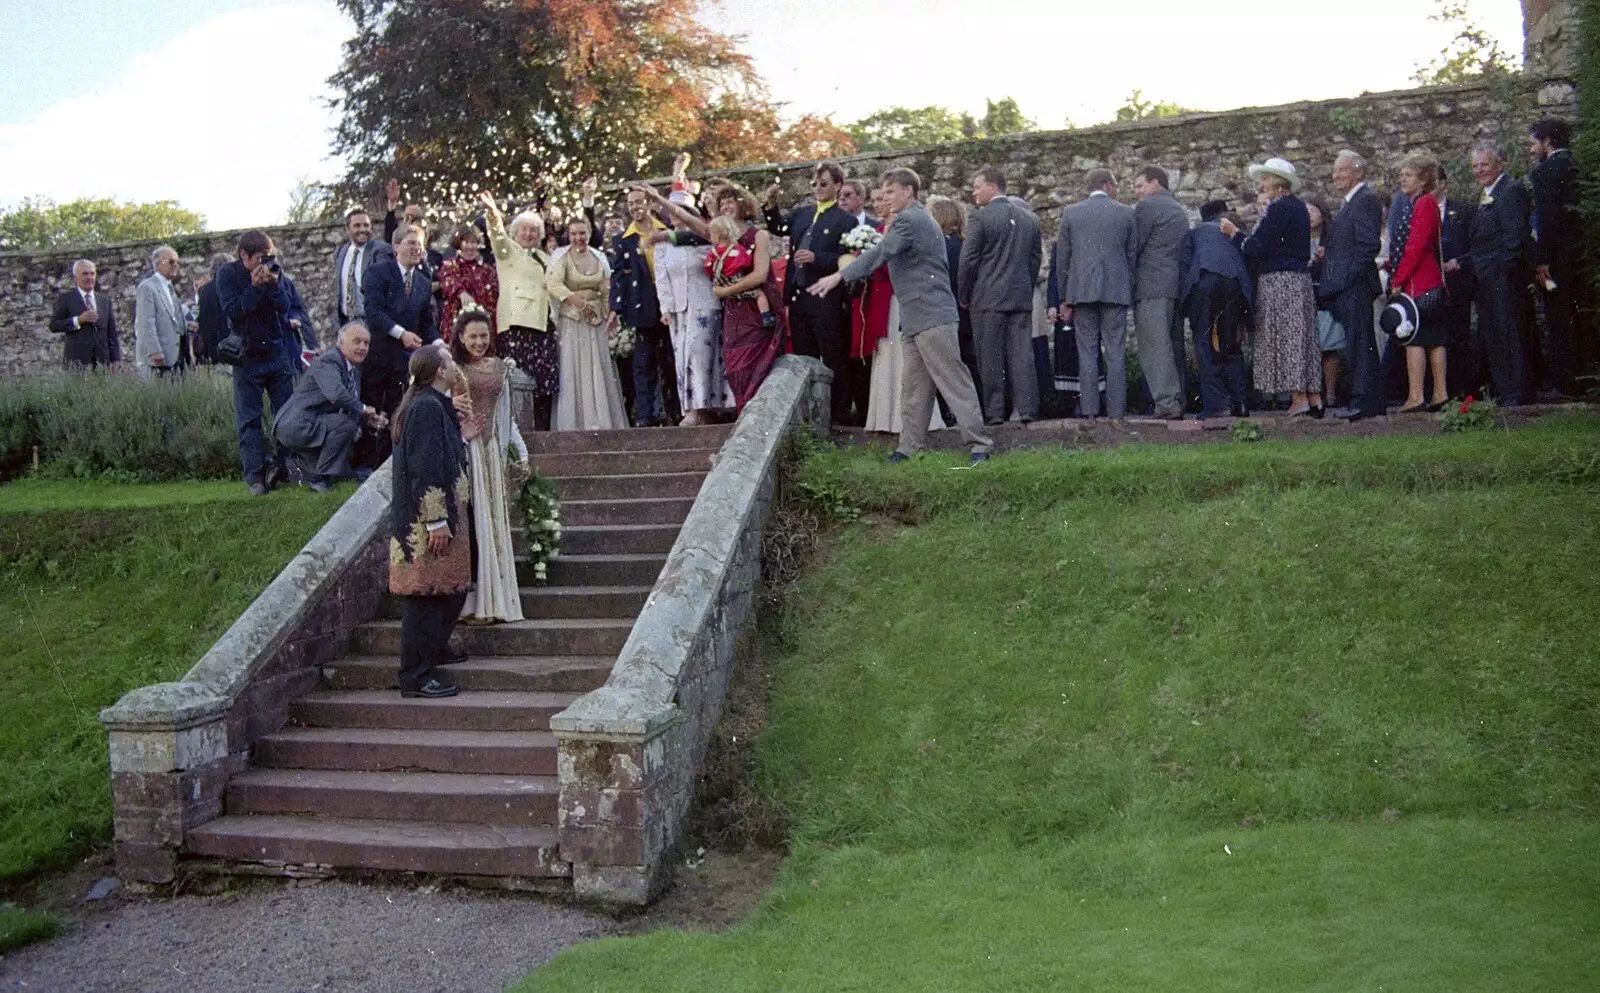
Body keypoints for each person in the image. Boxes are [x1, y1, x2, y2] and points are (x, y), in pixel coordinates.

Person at [808, 168, 992, 464]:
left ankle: (979, 444)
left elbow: (882, 252)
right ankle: (908, 448)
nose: (886, 197)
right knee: (914, 387)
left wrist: (838, 276)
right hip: (916, 317)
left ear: (908, 191)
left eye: (891, 191)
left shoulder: (909, 220)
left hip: (932, 315)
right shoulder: (916, 219)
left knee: (953, 381)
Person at [388, 343, 472, 700]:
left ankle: (433, 650)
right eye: (451, 362)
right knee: (424, 594)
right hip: (426, 520)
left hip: (442, 511)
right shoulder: (424, 408)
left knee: (448, 589)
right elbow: (424, 469)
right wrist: (435, 520)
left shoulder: (430, 404)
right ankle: (416, 676)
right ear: (439, 370)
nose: (455, 366)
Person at [1220, 158, 1320, 417]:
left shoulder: (1278, 209)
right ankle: (1313, 396)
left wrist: (1234, 233)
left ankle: (1298, 398)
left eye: (1266, 179)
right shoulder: (1299, 207)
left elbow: (1257, 247)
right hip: (1299, 279)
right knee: (1303, 336)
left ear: (1279, 182)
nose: (1262, 184)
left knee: (1288, 337)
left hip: (1280, 280)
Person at [451, 312, 528, 625]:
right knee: (472, 524)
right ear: (461, 338)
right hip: (466, 452)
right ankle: (470, 602)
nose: (479, 342)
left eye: (484, 336)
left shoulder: (500, 368)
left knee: (492, 523)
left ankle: (495, 599)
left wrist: (519, 452)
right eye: (473, 337)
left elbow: (505, 416)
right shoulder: (452, 370)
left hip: (492, 452)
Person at [959, 165, 1043, 425]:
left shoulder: (980, 218)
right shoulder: (1030, 219)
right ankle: (1026, 409)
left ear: (993, 187)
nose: (974, 192)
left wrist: (964, 293)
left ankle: (995, 413)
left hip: (987, 297)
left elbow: (969, 260)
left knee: (990, 356)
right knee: (1022, 355)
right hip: (1019, 296)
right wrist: (1025, 288)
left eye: (977, 186)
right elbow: (1034, 259)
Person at [216, 231, 297, 494]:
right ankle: (255, 478)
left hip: (275, 354)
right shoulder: (227, 275)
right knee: (249, 420)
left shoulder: (273, 271)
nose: (267, 262)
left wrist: (272, 285)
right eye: (261, 258)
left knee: (285, 415)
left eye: (270, 256)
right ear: (244, 256)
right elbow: (233, 310)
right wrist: (254, 287)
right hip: (247, 358)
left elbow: (285, 306)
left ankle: (286, 470)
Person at [1055, 169, 1136, 420]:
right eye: (1115, 184)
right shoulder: (1126, 213)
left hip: (1081, 292)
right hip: (1115, 290)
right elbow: (1132, 255)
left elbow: (1063, 259)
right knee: (1115, 352)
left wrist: (1064, 297)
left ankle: (1090, 412)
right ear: (1107, 185)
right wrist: (1126, 285)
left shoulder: (1071, 213)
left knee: (1087, 353)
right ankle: (1116, 413)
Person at [786, 161, 859, 425]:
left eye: (824, 183)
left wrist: (817, 258)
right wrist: (769, 205)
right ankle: (807, 415)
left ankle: (837, 415)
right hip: (799, 295)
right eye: (814, 183)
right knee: (803, 355)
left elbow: (848, 259)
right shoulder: (802, 214)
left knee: (832, 355)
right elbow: (778, 226)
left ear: (838, 186)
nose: (818, 188)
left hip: (826, 297)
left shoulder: (846, 220)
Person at [360, 223, 439, 467]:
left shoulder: (424, 282)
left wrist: (438, 344)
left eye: (420, 244)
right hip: (379, 354)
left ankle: (395, 464)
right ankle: (368, 465)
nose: (418, 249)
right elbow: (373, 312)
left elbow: (426, 321)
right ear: (396, 247)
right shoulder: (377, 273)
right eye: (412, 243)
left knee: (399, 410)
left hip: (405, 361)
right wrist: (401, 334)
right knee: (374, 411)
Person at [273, 323, 385, 491]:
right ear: (341, 343)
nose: (362, 347)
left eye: (366, 343)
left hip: (308, 423)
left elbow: (346, 402)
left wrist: (367, 418)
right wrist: (363, 410)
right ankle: (320, 481)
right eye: (357, 341)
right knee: (347, 423)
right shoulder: (330, 360)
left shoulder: (350, 367)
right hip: (296, 424)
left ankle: (284, 470)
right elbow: (337, 394)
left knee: (344, 471)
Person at [480, 192, 559, 430]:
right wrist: (493, 214)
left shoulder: (546, 257)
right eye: (523, 229)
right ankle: (517, 433)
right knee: (516, 382)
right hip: (517, 324)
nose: (528, 234)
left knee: (545, 384)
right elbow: (498, 237)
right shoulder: (508, 252)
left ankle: (543, 432)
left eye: (533, 230)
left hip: (544, 326)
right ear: (515, 232)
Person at [654, 192, 730, 424]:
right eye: (673, 210)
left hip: (705, 303)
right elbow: (661, 277)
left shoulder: (703, 235)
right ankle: (692, 409)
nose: (677, 215)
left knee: (702, 355)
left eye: (683, 210)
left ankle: (709, 407)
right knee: (682, 359)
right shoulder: (664, 241)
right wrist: (665, 307)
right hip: (678, 309)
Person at [548, 217, 629, 430]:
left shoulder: (599, 256)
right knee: (574, 368)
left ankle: (601, 421)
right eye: (574, 233)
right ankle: (576, 423)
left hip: (596, 321)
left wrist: (610, 313)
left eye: (582, 233)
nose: (578, 238)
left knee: (598, 368)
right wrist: (578, 303)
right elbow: (553, 283)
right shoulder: (562, 257)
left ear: (590, 232)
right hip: (573, 320)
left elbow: (606, 289)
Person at [1468, 143, 1533, 407]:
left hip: (1503, 279)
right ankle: (1505, 390)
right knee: (1495, 335)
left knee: (1510, 334)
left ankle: (1517, 392)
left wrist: (1498, 272)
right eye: (1475, 166)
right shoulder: (1488, 194)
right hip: (1487, 278)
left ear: (1499, 164)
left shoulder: (1510, 190)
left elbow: (1514, 237)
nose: (1479, 170)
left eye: (1484, 164)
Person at [1322, 150, 1385, 420]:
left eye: (1342, 170)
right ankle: (1364, 399)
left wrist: (1349, 277)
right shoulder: (1350, 203)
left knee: (1361, 343)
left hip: (1355, 285)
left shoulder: (1365, 201)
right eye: (1335, 171)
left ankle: (1365, 400)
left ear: (1358, 171)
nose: (1336, 176)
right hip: (1347, 285)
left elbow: (1369, 244)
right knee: (1357, 343)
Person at [1179, 200, 1252, 418]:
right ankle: (1241, 404)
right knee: (1230, 344)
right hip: (1235, 284)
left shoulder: (1195, 233)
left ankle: (1217, 406)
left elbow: (1184, 269)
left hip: (1204, 283)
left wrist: (1185, 308)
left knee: (1205, 343)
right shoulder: (1236, 231)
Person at [611, 187, 678, 426]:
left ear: (649, 203)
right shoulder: (623, 239)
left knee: (670, 360)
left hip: (668, 303)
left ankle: (675, 412)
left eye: (639, 202)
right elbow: (618, 276)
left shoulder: (666, 231)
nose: (635, 207)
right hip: (641, 308)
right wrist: (615, 309)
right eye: (630, 204)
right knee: (643, 364)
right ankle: (644, 416)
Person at [1388, 154, 1449, 413]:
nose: (1403, 178)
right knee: (1434, 338)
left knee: (1415, 338)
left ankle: (1416, 396)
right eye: (1401, 174)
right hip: (1428, 280)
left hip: (1420, 282)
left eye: (1409, 174)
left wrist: (1398, 279)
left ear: (1423, 179)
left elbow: (1415, 246)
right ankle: (1438, 393)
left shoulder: (1423, 204)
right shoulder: (1423, 203)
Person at [1131, 165, 1191, 418]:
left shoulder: (1148, 207)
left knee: (1155, 346)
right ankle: (1180, 399)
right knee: (1173, 345)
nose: (1137, 192)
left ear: (1156, 183)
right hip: (1174, 284)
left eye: (1139, 185)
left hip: (1151, 285)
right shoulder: (1178, 209)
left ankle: (1167, 403)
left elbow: (1134, 245)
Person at [1527, 118, 1579, 398]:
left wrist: (1542, 260)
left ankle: (1564, 381)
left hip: (1557, 257)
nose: (1532, 148)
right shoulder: (1577, 167)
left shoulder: (1545, 173)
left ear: (1547, 142)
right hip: (1578, 253)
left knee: (1559, 318)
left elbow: (1547, 219)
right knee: (1579, 316)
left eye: (1534, 142)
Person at [929, 195, 982, 395]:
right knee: (969, 362)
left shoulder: (939, 245)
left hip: (946, 310)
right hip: (967, 310)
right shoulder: (965, 243)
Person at [1437, 167, 1481, 400]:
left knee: (1460, 338)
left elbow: (1476, 247)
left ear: (1443, 183)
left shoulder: (1463, 211)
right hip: (1431, 288)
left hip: (1457, 284)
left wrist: (1459, 263)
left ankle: (1465, 391)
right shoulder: (1414, 211)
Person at [1304, 196, 1345, 408]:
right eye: (1306, 212)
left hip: (1327, 296)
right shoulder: (1298, 237)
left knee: (1329, 347)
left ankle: (1330, 394)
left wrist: (1326, 257)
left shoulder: (1332, 237)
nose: (1310, 216)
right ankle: (1313, 394)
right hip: (1306, 296)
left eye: (1313, 211)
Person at [48, 259, 120, 369]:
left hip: (102, 363)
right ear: (76, 278)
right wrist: (78, 320)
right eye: (85, 274)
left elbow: (112, 333)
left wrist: (115, 359)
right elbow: (54, 325)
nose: (89, 277)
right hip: (76, 363)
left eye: (92, 274)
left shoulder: (104, 301)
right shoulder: (66, 299)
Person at [437, 224, 499, 343]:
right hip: (456, 327)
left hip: (482, 329)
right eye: (466, 242)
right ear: (459, 244)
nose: (470, 247)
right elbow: (448, 282)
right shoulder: (450, 265)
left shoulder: (487, 270)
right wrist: (461, 293)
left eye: (474, 242)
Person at [334, 207, 393, 327]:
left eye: (366, 225)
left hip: (371, 322)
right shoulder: (340, 252)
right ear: (347, 229)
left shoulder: (381, 251)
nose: (362, 229)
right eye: (357, 225)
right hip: (346, 322)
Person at [134, 246, 186, 378]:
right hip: (158, 360)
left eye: (178, 262)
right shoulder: (148, 287)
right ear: (158, 263)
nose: (176, 265)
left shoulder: (170, 288)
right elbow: (146, 322)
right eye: (171, 261)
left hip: (175, 357)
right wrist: (155, 351)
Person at [194, 253, 232, 365]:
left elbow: (202, 320)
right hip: (232, 347)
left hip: (211, 347)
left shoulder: (204, 290)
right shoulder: (233, 287)